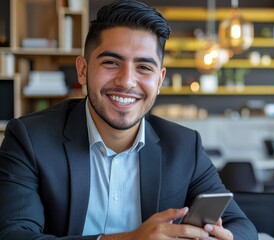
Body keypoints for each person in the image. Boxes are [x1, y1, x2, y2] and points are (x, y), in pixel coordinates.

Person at [0, 0, 258, 239]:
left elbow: (242, 226)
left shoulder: (184, 146)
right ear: (83, 70)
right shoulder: (30, 138)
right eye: (111, 62)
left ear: (159, 80)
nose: (126, 81)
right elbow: (14, 235)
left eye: (144, 67)